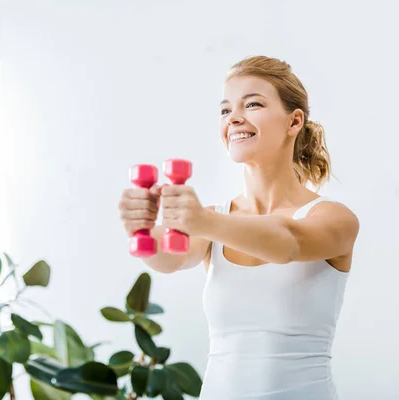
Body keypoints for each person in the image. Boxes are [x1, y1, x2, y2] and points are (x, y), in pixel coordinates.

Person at [118, 55, 360, 399]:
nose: (234, 118)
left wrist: (202, 220)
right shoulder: (215, 221)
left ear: (294, 122)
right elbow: (169, 257)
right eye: (225, 110)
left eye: (253, 104)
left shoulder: (333, 218)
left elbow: (287, 242)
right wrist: (140, 226)